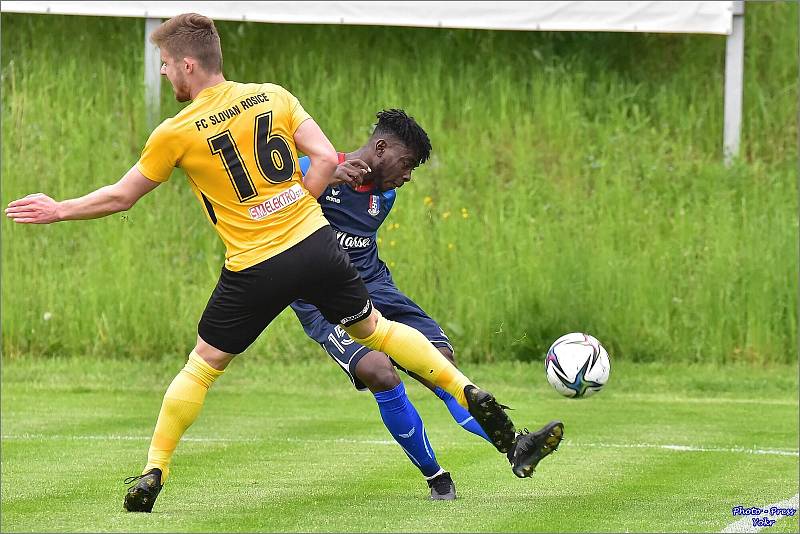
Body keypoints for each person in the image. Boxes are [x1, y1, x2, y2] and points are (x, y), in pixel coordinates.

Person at [5, 14, 562, 513]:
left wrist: (59, 210)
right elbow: (325, 159)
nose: (165, 76)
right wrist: (299, 203)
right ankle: (480, 404)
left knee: (202, 366)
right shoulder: (273, 95)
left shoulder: (174, 132)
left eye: (167, 66)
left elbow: (122, 196)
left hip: (254, 265)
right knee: (382, 334)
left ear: (189, 64)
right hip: (316, 246)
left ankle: (155, 471)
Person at [292, 109, 564, 500]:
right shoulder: (313, 166)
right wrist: (326, 175)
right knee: (380, 371)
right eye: (406, 164)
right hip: (319, 296)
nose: (407, 176)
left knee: (442, 361)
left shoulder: (385, 195)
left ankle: (516, 448)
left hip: (375, 287)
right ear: (380, 147)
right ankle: (436, 477)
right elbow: (272, 201)